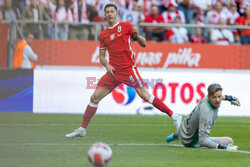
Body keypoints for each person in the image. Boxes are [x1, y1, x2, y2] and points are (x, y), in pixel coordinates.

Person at [65, 3, 182, 138]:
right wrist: (107, 66)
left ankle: (174, 116)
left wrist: (137, 36)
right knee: (94, 97)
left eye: (112, 12)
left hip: (128, 69)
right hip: (113, 71)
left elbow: (144, 44)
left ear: (116, 14)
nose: (109, 14)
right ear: (104, 15)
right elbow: (102, 57)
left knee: (144, 94)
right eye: (107, 12)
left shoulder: (126, 26)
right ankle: (82, 129)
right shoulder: (103, 34)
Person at [165, 83, 240, 151]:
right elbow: (203, 140)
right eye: (214, 97)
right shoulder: (207, 113)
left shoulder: (206, 99)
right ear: (209, 97)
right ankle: (177, 135)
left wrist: (230, 98)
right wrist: (223, 147)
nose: (217, 100)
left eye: (219, 97)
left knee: (190, 124)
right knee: (229, 141)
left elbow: (219, 96)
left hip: (183, 130)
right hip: (190, 141)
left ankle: (175, 136)